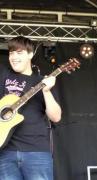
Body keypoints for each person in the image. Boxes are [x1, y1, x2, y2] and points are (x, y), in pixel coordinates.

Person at [0, 36, 62, 180]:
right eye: (11, 53)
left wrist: (46, 91)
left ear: (31, 54)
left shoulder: (42, 82)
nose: (13, 57)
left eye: (19, 52)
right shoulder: (3, 75)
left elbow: (56, 117)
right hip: (5, 152)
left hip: (36, 151)